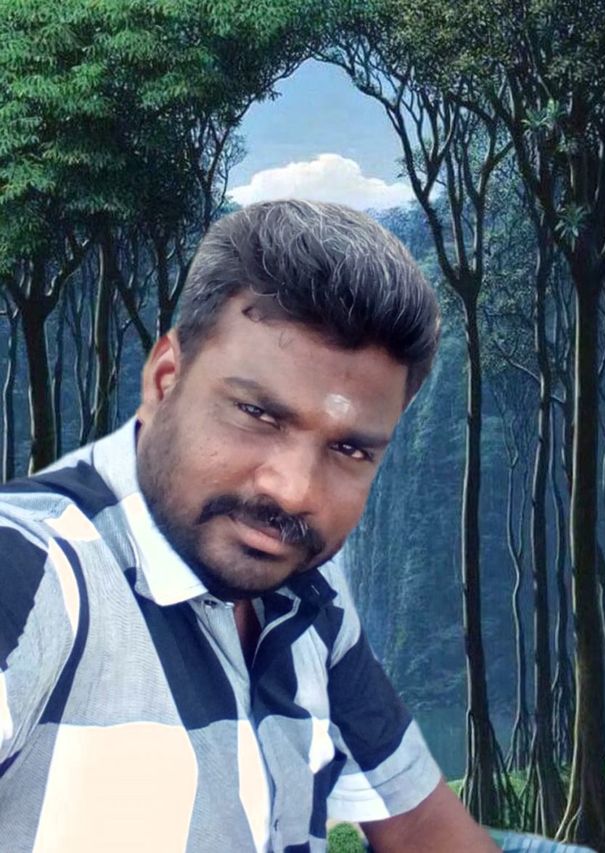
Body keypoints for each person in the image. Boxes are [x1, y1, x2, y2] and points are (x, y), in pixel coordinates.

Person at [0, 201, 498, 852]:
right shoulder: (34, 566)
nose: (294, 491)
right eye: (258, 413)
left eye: (350, 449)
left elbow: (420, 826)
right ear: (164, 379)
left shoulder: (311, 600)